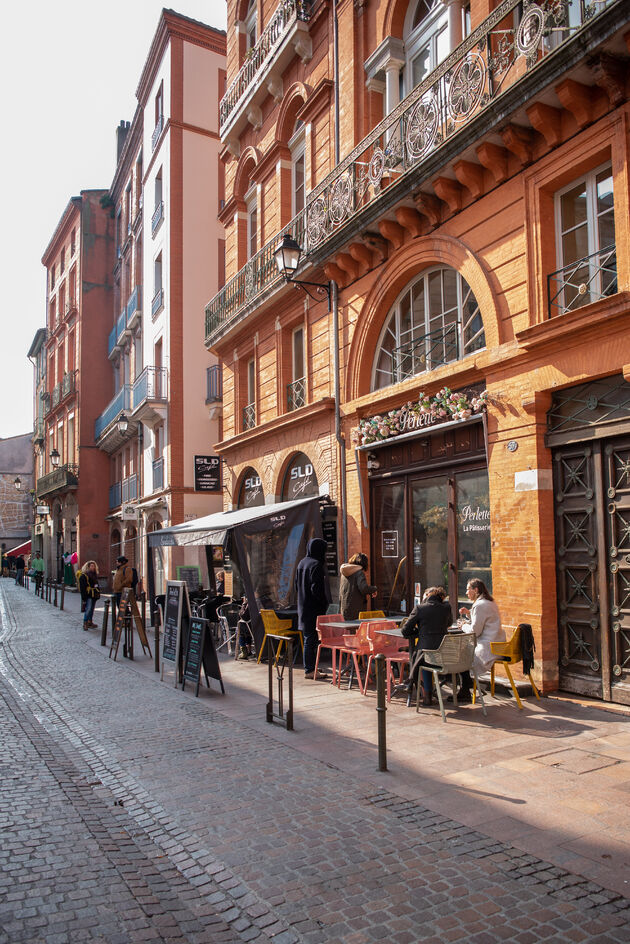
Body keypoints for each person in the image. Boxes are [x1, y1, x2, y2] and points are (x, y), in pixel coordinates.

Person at [402, 587, 452, 706]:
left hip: (426, 655)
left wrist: (419, 632)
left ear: (428, 595)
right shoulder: (447, 607)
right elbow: (449, 623)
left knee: (423, 659)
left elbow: (405, 630)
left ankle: (427, 695)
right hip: (445, 654)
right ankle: (428, 694)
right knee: (426, 657)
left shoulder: (420, 608)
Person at [457, 578, 505, 701]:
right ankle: (467, 686)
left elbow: (475, 632)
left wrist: (463, 626)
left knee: (460, 656)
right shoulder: (489, 602)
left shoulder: (479, 605)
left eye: (468, 589)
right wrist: (469, 614)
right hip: (497, 645)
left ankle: (465, 689)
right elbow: (484, 622)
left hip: (487, 648)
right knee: (463, 653)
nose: (466, 592)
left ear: (476, 590)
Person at [295, 538, 330, 680]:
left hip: (303, 606)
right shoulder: (316, 565)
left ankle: (312, 666)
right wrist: (324, 603)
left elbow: (297, 585)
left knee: (308, 638)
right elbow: (317, 590)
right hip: (313, 608)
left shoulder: (302, 563)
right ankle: (309, 670)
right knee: (311, 639)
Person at [339, 553, 377, 620]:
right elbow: (364, 588)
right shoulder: (359, 573)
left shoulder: (344, 572)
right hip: (356, 608)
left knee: (348, 628)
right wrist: (374, 589)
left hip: (344, 607)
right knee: (356, 628)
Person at [78, 561, 100, 630]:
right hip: (88, 595)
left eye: (94, 566)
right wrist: (84, 597)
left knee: (92, 609)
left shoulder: (95, 575)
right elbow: (82, 588)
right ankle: (85, 623)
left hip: (94, 594)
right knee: (88, 609)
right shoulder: (84, 576)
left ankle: (90, 622)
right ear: (88, 567)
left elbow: (96, 585)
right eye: (91, 566)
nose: (93, 567)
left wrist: (98, 591)